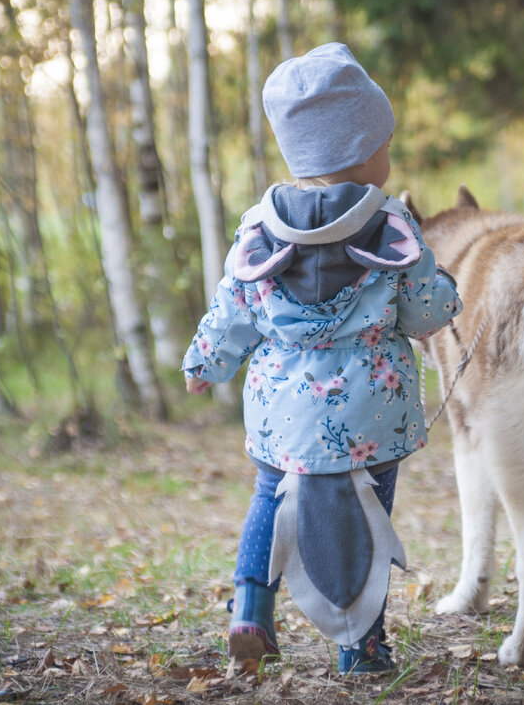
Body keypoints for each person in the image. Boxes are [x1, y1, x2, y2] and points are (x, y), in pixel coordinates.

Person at [181, 43, 462, 675]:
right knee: (365, 516)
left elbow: (235, 308)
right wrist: (448, 303)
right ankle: (360, 646)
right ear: (361, 150)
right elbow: (422, 307)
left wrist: (205, 362)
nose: (389, 154)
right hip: (369, 413)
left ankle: (251, 605)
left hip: (281, 412)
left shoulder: (260, 227)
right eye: (385, 142)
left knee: (266, 495)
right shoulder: (391, 225)